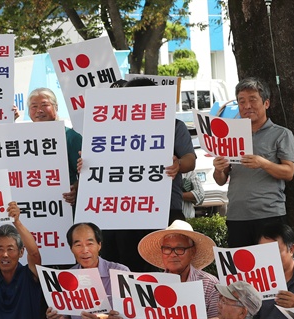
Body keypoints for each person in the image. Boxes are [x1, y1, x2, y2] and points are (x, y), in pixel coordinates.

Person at [98, 77, 196, 273]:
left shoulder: (174, 125)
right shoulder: (110, 127)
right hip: (122, 211)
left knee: (165, 270)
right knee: (124, 271)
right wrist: (88, 163)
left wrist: (178, 164)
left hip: (163, 207)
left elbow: (190, 160)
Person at [212, 77, 294, 248]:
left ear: (266, 103)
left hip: (269, 214)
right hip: (236, 216)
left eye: (252, 100)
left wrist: (263, 163)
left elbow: (289, 172)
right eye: (241, 101)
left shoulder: (281, 134)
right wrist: (218, 169)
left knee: (271, 270)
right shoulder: (230, 135)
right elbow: (220, 179)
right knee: (241, 271)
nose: (247, 106)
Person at [138, 219, 219, 318]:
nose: (173, 254)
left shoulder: (209, 284)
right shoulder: (151, 285)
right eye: (167, 249)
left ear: (193, 252)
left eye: (180, 249)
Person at [46, 222, 128, 319]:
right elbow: (65, 316)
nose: (85, 250)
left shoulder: (120, 272)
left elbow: (131, 313)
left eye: (90, 244)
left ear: (99, 245)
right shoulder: (66, 277)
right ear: (71, 248)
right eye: (78, 245)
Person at [27, 88, 81, 206]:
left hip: (65, 206)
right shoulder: (22, 140)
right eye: (34, 106)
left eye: (44, 105)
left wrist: (75, 189)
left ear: (55, 107)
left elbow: (86, 173)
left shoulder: (70, 137)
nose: (39, 110)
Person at [256, 222, 294, 318]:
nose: (269, 257)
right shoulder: (256, 278)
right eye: (264, 251)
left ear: (291, 249)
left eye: (275, 251)